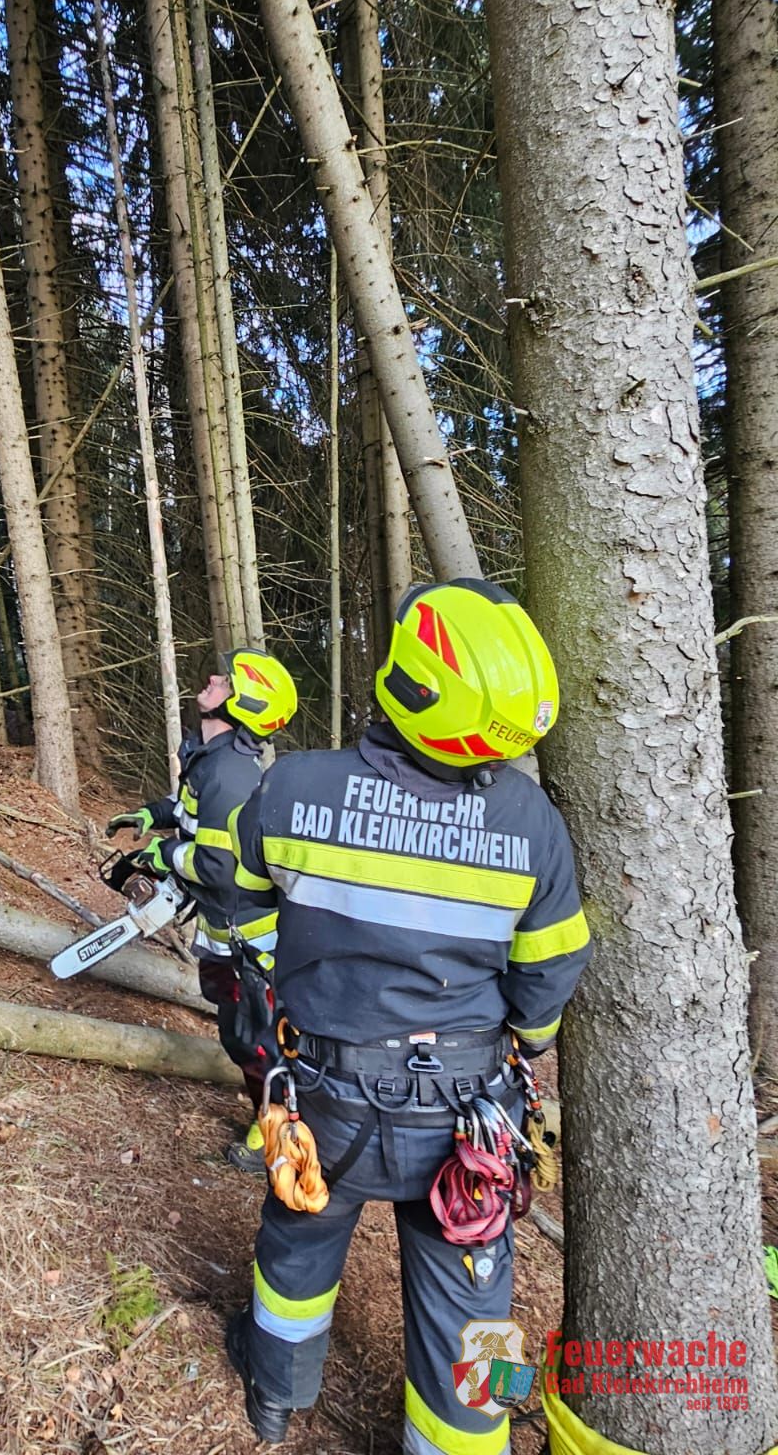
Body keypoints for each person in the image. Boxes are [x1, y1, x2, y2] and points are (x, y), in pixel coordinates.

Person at [223, 580, 591, 1450]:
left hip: (326, 1095)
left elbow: (242, 906)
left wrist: (291, 978)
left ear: (407, 683)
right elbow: (548, 976)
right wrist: (526, 1040)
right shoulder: (530, 822)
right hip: (468, 1113)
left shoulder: (293, 788)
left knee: (297, 1242)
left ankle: (275, 1395)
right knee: (479, 1302)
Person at [107, 648, 298, 1171]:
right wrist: (150, 814)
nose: (214, 679)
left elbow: (217, 865)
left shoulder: (231, 775)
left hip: (250, 940)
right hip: (223, 928)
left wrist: (161, 853)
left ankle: (278, 1135)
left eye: (227, 681)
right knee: (239, 1035)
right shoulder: (211, 759)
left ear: (244, 705)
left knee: (257, 1042)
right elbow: (190, 809)